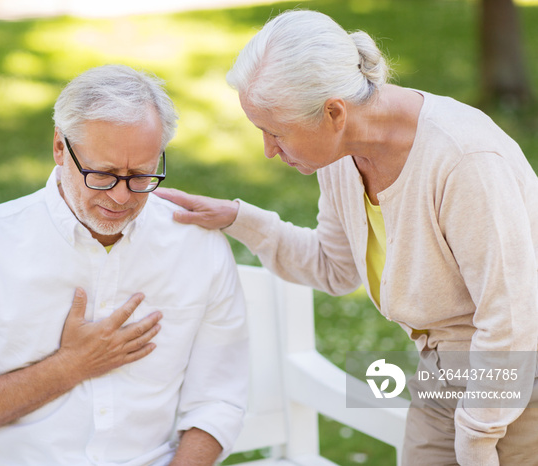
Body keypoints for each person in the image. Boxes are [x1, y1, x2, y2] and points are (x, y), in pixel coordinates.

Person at [155, 9, 538, 466]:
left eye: (275, 132)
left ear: (334, 112)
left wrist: (477, 440)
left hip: (517, 380)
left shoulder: (465, 160)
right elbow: (334, 267)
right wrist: (238, 218)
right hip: (444, 373)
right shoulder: (344, 156)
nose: (268, 151)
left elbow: (513, 321)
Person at [0, 64, 248, 466]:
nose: (121, 197)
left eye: (140, 175)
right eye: (102, 174)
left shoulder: (196, 245)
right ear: (59, 147)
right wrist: (68, 367)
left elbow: (218, 400)